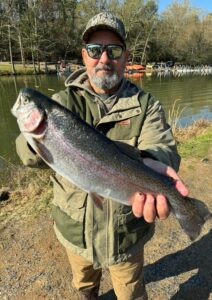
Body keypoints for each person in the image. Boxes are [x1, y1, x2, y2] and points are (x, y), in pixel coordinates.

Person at [15, 12, 188, 300]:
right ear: (84, 56)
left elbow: (163, 147)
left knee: (131, 292)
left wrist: (157, 165)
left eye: (114, 50)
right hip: (75, 230)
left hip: (126, 234)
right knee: (84, 287)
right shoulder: (62, 103)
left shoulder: (147, 106)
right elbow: (27, 154)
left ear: (125, 56)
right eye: (95, 50)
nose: (104, 58)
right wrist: (35, 141)